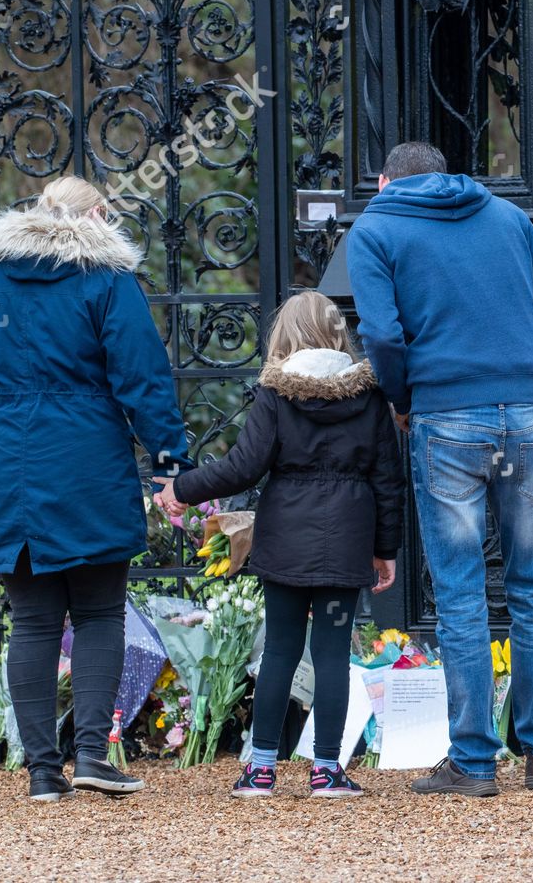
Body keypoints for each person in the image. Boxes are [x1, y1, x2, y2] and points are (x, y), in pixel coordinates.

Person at [345, 142, 533, 795]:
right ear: (443, 173)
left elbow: (383, 335)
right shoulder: (506, 217)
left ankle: (474, 761)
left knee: (460, 590)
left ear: (385, 180)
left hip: (446, 414)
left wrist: (403, 400)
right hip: (526, 412)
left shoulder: (377, 227)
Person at [0, 176, 192, 802]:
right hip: (85, 454)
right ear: (96, 214)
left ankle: (42, 772)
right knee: (97, 612)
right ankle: (92, 754)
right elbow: (142, 377)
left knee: (32, 622)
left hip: (9, 455)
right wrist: (171, 459)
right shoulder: (107, 279)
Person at [154, 291, 403, 799]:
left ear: (284, 335)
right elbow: (387, 479)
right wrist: (385, 547)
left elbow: (243, 467)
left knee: (281, 651)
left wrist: (181, 488)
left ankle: (262, 768)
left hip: (287, 536)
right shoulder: (370, 396)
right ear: (338, 335)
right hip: (348, 538)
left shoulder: (275, 394)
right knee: (333, 654)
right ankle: (327, 771)